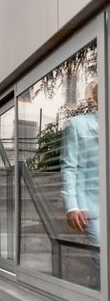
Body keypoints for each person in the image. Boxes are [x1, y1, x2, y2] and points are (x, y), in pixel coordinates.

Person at [61, 81, 100, 245]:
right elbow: (70, 167)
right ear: (96, 97)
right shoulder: (77, 124)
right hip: (90, 207)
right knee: (102, 255)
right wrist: (72, 207)